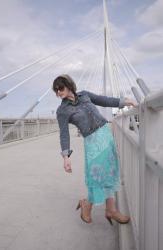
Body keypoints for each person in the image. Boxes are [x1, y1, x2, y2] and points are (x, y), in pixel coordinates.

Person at [52, 74, 136, 224]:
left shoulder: (85, 95)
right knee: (96, 175)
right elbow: (64, 134)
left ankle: (111, 210)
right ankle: (88, 204)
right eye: (56, 91)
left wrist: (124, 101)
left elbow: (104, 100)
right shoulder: (62, 111)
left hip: (105, 134)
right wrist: (66, 157)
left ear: (69, 85)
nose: (58, 92)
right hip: (91, 140)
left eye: (60, 88)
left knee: (110, 172)